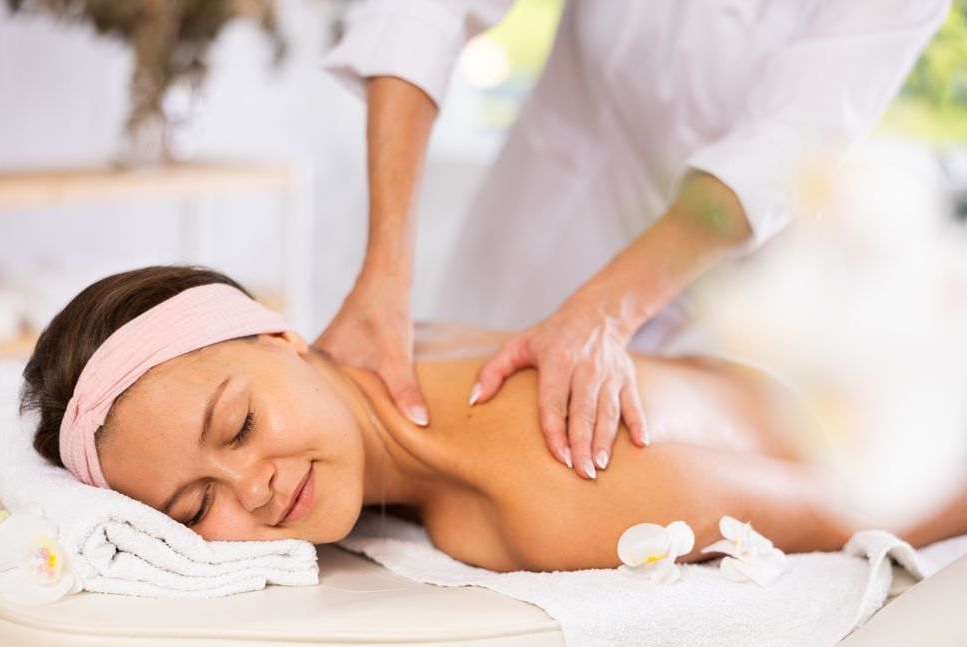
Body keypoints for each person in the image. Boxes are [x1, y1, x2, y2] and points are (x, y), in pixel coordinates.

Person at [317, 0, 952, 481]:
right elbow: (424, 11)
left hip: (724, 287)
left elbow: (787, 147)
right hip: (543, 218)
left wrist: (606, 312)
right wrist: (384, 272)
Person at [20, 266, 967, 572]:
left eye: (236, 428)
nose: (253, 487)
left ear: (281, 336)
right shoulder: (406, 349)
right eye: (193, 509)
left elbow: (865, 503)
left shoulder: (551, 485)